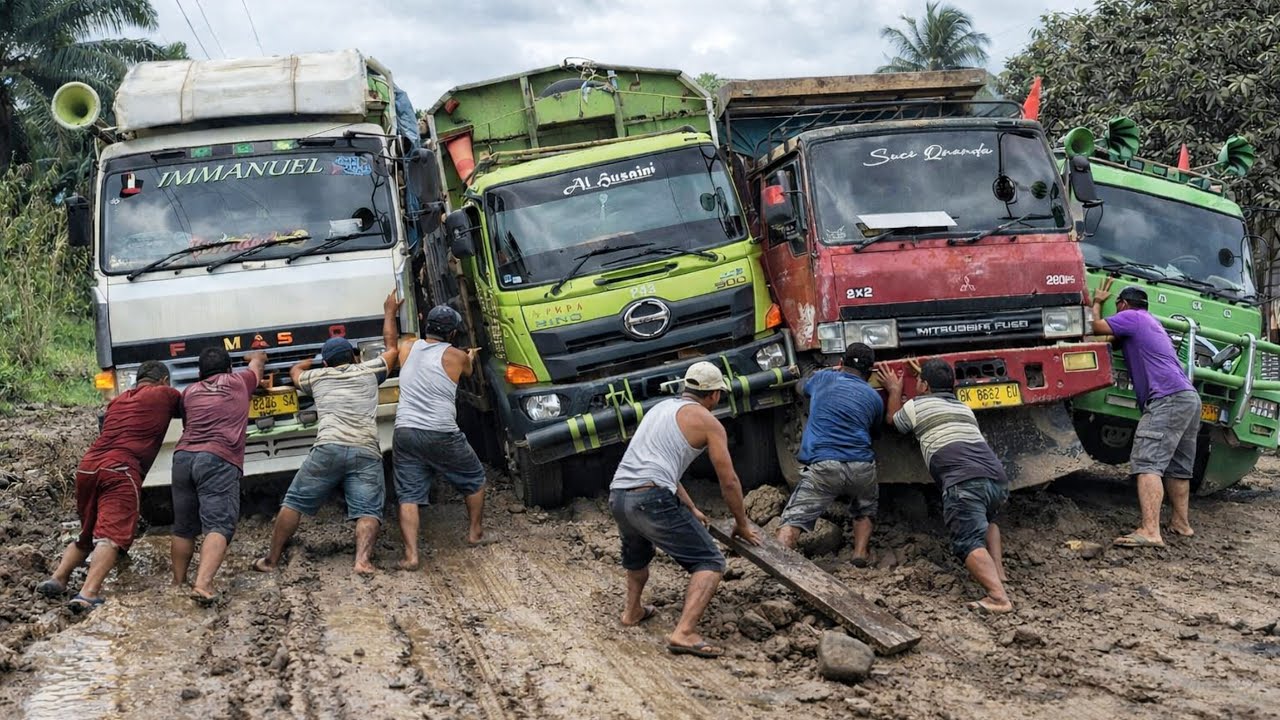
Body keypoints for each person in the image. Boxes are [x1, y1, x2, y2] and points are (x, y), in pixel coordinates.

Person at [609, 362, 762, 659]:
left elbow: (659, 464)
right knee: (709, 561)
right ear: (715, 395)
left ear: (686, 388)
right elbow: (728, 480)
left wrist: (690, 507)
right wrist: (741, 523)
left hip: (619, 495)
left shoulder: (659, 409)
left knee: (638, 554)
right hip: (650, 497)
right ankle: (685, 632)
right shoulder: (708, 421)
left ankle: (632, 612)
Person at [254, 291, 401, 575]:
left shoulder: (316, 377)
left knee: (294, 501)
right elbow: (391, 346)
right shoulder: (368, 371)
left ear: (325, 363)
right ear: (355, 357)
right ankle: (362, 561)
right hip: (365, 450)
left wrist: (307, 362)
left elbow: (294, 372)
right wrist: (388, 312)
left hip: (328, 448)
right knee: (368, 509)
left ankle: (271, 560)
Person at [36, 361, 181, 611]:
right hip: (120, 469)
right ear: (164, 380)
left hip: (88, 467)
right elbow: (195, 406)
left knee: (87, 533)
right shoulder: (166, 394)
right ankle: (87, 594)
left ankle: (58, 578)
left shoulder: (119, 400)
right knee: (111, 537)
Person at [876, 358, 1013, 614]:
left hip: (963, 482)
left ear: (924, 385)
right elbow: (936, 394)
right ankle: (1000, 573)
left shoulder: (917, 405)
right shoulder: (964, 408)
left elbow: (893, 420)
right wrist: (927, 380)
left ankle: (998, 597)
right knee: (987, 520)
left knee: (967, 541)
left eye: (920, 381)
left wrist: (895, 390)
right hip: (997, 478)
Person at [1090, 277, 1201, 547]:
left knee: (1147, 461)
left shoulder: (1133, 317)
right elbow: (1107, 340)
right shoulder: (1151, 324)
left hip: (1167, 399)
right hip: (1188, 398)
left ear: (1124, 304)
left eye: (1117, 308)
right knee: (1178, 466)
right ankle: (1181, 523)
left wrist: (1095, 302)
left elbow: (1094, 328)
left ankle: (1150, 530)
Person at [393, 304, 486, 571]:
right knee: (475, 478)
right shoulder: (456, 356)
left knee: (408, 494)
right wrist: (469, 356)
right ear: (454, 332)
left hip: (406, 431)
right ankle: (475, 533)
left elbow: (392, 340)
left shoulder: (407, 347)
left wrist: (390, 315)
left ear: (426, 323)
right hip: (441, 431)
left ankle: (411, 556)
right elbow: (467, 369)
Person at [171, 347, 267, 604]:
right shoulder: (239, 381)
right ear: (228, 369)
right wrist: (255, 357)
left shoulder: (189, 392)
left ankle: (177, 584)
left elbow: (187, 423)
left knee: (184, 527)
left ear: (201, 373)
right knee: (219, 524)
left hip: (182, 458)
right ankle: (202, 585)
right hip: (217, 457)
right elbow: (258, 365)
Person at [777, 343, 884, 566]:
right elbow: (876, 433)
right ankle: (860, 553)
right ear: (871, 372)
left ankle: (780, 564)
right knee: (865, 508)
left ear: (841, 363)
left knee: (794, 517)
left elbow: (800, 387)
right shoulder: (874, 398)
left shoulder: (823, 379)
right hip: (861, 468)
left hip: (824, 466)